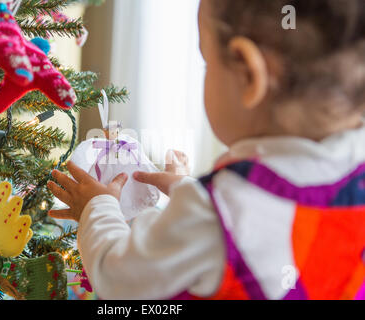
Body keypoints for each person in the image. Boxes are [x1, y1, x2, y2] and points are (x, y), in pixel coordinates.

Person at [47, 0, 365, 300]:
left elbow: (119, 280)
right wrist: (190, 192)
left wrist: (98, 208)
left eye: (205, 62)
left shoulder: (212, 217)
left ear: (248, 73)